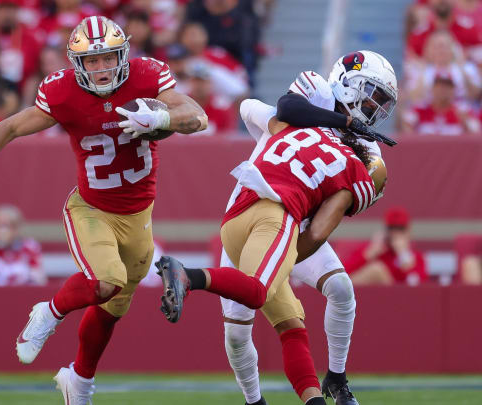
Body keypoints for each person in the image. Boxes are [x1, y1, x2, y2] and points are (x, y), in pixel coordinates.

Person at [0, 15, 207, 404]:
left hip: (139, 215)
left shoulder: (147, 76)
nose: (101, 68)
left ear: (123, 55)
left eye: (108, 58)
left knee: (113, 309)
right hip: (91, 209)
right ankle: (48, 312)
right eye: (91, 61)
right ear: (76, 62)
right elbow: (11, 127)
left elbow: (198, 116)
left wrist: (162, 117)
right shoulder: (62, 91)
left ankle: (79, 380)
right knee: (106, 279)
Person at [155, 52, 394, 405]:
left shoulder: (368, 151)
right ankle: (254, 399)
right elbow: (266, 109)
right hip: (262, 208)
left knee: (340, 289)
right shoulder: (316, 97)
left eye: (383, 102)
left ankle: (337, 379)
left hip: (292, 223)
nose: (376, 107)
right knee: (238, 330)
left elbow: (319, 228)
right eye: (373, 94)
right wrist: (335, 124)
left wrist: (284, 255)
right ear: (349, 83)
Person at [345, 207, 428, 286]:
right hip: (367, 297)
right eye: (391, 228)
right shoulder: (375, 250)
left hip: (396, 298)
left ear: (408, 232)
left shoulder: (417, 257)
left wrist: (404, 256)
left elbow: (417, 288)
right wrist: (370, 253)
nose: (396, 233)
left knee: (377, 270)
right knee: (376, 269)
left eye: (400, 229)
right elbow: (343, 273)